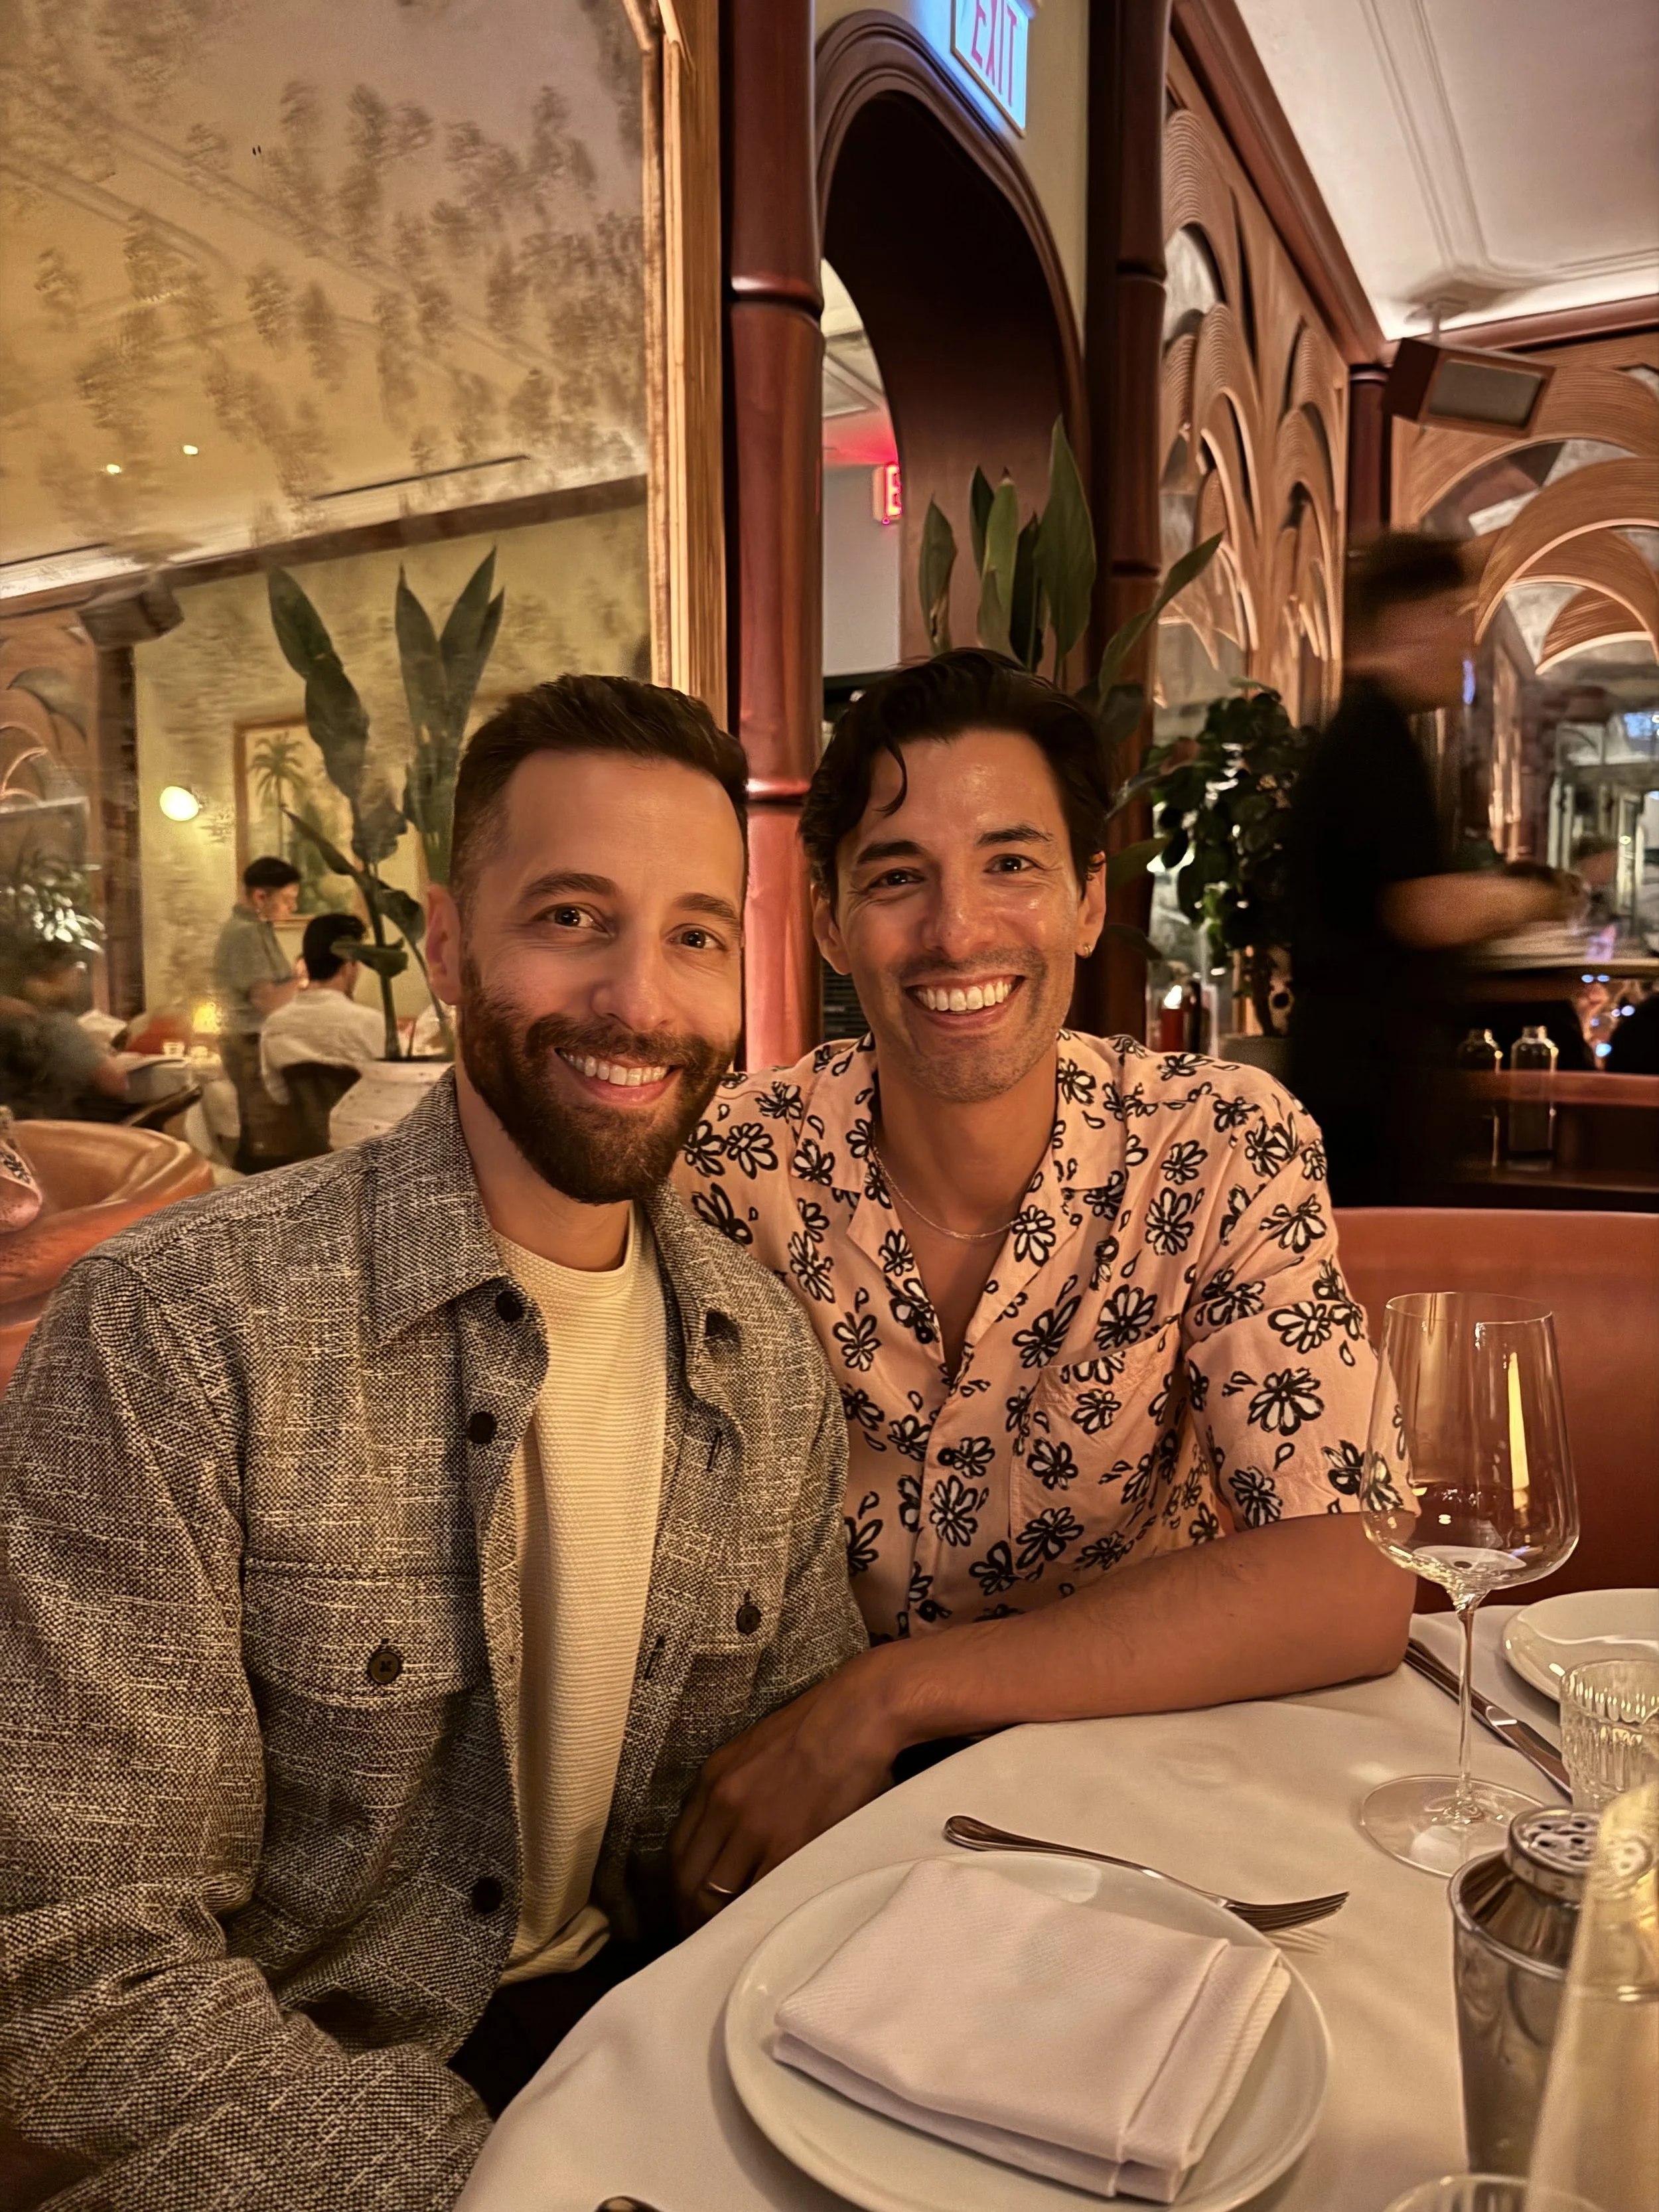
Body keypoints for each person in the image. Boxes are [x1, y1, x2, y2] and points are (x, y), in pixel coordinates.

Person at [0, 675, 861, 2205]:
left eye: (694, 935)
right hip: (313, 2139)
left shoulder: (766, 1359)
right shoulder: (179, 1332)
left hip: (677, 2073)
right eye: (572, 917)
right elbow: (75, 1981)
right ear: (448, 941)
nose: (641, 1001)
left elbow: (784, 1852)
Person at [669, 648, 1415, 1915]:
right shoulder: (730, 1168)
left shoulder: (1218, 1140)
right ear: (831, 921)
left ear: (1086, 900)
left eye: (1011, 863)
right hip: (815, 1850)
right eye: (898, 877)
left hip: (1140, 1828)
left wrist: (894, 1692)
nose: (959, 929)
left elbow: (1352, 1573)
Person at [1285, 532, 1570, 1204]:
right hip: (1365, 1083)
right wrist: (1538, 899)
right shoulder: (1371, 741)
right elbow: (1421, 909)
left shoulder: (1377, 733)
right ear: (1403, 620)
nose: (1466, 640)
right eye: (1453, 614)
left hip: (1367, 1075)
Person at [259, 911, 385, 1104]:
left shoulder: (274, 1026)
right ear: (349, 964)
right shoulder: (369, 1023)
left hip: (306, 1133)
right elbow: (390, 1093)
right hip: (367, 1132)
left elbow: (280, 1096)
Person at [0, 941, 130, 1120]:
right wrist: (107, 1057)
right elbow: (115, 1084)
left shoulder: (12, 1014)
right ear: (61, 973)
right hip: (52, 1127)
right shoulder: (54, 1022)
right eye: (77, 971)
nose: (78, 979)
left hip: (15, 1122)